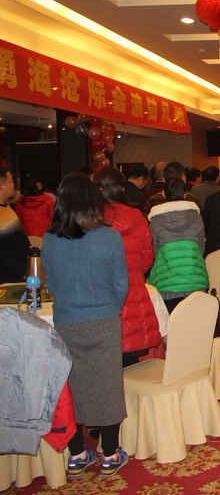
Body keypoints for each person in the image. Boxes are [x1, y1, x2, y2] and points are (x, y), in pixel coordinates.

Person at [42, 173, 129, 477]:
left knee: (69, 388)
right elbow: (121, 284)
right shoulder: (109, 237)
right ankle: (110, 454)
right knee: (108, 386)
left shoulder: (50, 238)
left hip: (66, 320)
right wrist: (108, 307)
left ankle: (77, 453)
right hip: (103, 319)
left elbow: (52, 284)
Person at [93, 167, 161, 367]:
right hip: (134, 295)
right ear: (121, 188)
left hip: (102, 300)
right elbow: (146, 260)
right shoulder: (137, 216)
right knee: (132, 358)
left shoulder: (91, 219)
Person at [148, 177, 208, 313]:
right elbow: (201, 248)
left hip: (165, 280)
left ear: (163, 194)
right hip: (194, 278)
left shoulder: (156, 219)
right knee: (194, 319)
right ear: (185, 194)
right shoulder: (196, 216)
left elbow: (154, 250)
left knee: (170, 321)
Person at [0, 166, 29, 283]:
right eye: (11, 181)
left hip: (18, 274)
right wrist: (22, 270)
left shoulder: (6, 207)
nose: (14, 185)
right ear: (2, 186)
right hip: (8, 278)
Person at [14, 174, 54, 238]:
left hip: (27, 238)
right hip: (45, 237)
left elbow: (18, 223)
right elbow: (53, 220)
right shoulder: (47, 199)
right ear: (38, 184)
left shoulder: (20, 202)